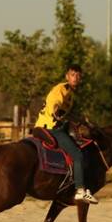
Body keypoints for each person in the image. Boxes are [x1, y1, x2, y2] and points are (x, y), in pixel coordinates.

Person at [34, 64, 97, 204]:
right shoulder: (63, 89)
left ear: (80, 79)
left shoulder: (71, 94)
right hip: (51, 127)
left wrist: (84, 121)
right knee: (77, 154)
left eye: (78, 76)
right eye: (72, 75)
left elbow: (68, 114)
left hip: (51, 125)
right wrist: (56, 111)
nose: (75, 78)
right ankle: (80, 190)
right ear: (67, 76)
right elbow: (56, 102)